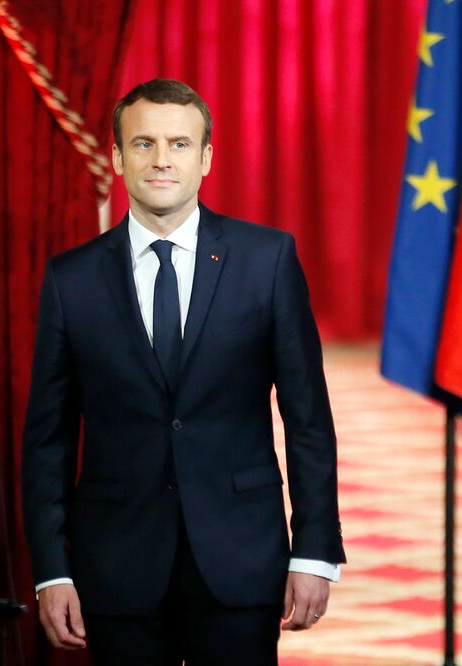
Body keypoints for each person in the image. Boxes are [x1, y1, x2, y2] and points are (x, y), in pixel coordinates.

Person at [21, 78, 345, 665]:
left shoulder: (267, 261)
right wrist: (51, 572)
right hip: (117, 564)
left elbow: (308, 420)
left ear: (206, 158)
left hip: (241, 556)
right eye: (143, 144)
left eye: (179, 143)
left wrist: (314, 552)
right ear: (117, 158)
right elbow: (48, 441)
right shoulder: (72, 280)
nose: (162, 159)